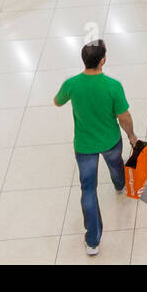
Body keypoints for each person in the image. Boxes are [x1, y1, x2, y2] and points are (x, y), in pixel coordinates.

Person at [53, 39, 139, 255]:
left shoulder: (72, 84)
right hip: (110, 140)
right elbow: (124, 117)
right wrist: (131, 136)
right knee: (115, 163)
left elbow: (57, 101)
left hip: (84, 145)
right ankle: (119, 185)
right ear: (103, 60)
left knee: (88, 190)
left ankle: (93, 241)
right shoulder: (113, 85)